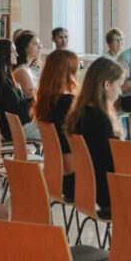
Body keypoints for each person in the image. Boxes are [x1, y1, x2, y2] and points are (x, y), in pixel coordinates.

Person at [64, 57, 125, 216]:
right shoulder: (100, 119)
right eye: (119, 86)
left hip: (89, 189)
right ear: (107, 85)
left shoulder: (79, 112)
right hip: (109, 195)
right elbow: (112, 163)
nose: (120, 92)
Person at [32, 49, 80, 200]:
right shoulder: (68, 103)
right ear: (69, 73)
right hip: (77, 182)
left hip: (58, 178)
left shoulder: (45, 102)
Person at [0, 38, 40, 141]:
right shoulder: (1, 82)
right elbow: (17, 111)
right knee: (52, 127)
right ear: (3, 54)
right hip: (14, 129)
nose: (17, 54)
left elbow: (18, 105)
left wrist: (34, 99)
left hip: (10, 127)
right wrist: (34, 101)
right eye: (13, 52)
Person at [13, 30, 42, 99]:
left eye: (39, 44)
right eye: (35, 44)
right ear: (25, 47)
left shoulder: (28, 69)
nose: (40, 47)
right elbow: (32, 97)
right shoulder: (22, 71)